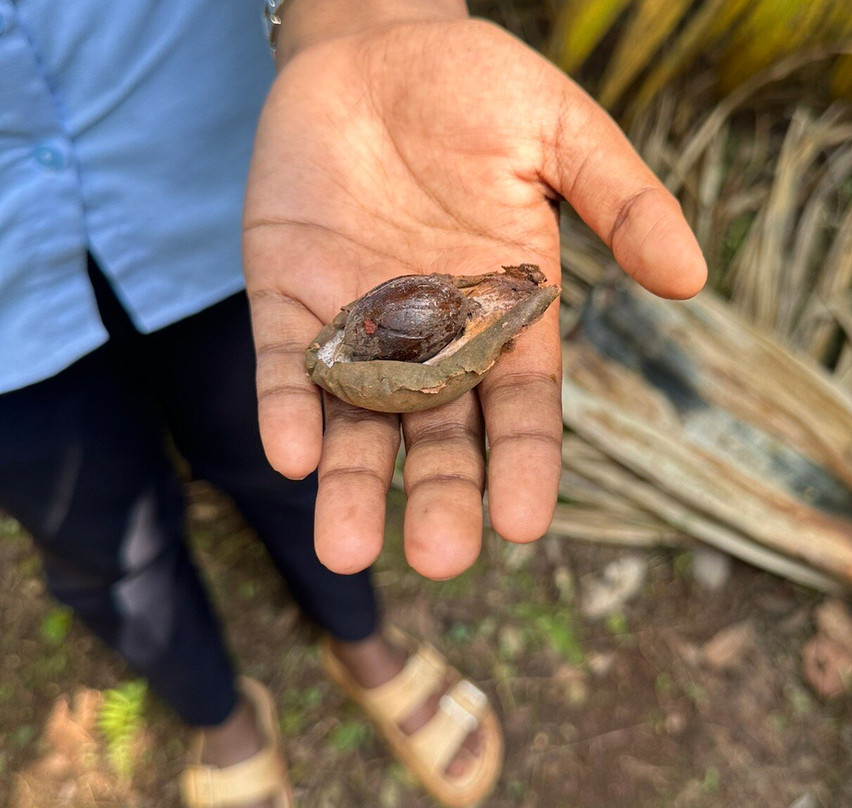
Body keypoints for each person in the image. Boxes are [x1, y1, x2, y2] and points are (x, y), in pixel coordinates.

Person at [0, 0, 707, 805]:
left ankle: (358, 640)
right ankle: (216, 713)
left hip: (244, 188)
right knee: (95, 542)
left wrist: (368, 15)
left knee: (281, 457)